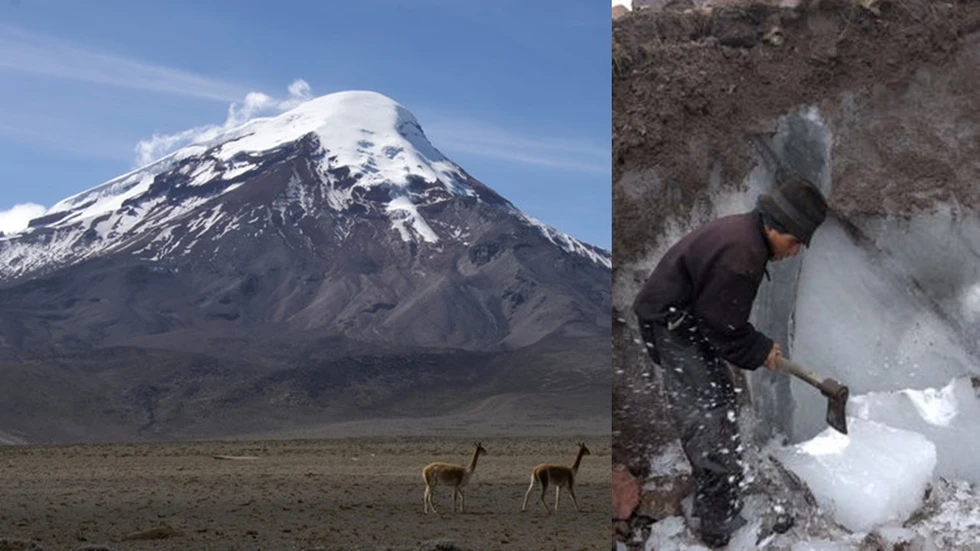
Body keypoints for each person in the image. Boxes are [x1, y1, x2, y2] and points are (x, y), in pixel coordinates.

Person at [632, 176, 828, 547]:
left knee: (719, 400)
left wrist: (754, 346)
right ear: (775, 226)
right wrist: (758, 349)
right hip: (676, 327)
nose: (796, 250)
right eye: (796, 241)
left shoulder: (745, 235)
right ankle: (719, 526)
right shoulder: (743, 255)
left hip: (684, 322)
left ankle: (723, 498)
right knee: (711, 421)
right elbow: (722, 326)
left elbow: (718, 320)